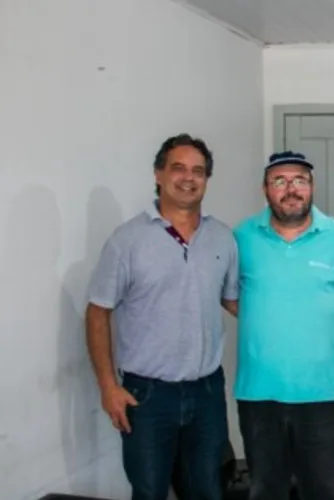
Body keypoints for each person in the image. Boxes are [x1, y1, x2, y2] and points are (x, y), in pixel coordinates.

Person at [85, 133, 239, 500]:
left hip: (207, 393)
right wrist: (108, 386)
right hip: (147, 397)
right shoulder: (128, 241)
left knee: (208, 490)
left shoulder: (223, 238)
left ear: (206, 179)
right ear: (158, 174)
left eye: (198, 171)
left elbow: (233, 302)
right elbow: (96, 314)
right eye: (178, 168)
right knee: (150, 491)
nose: (189, 178)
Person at [233, 151, 334, 500]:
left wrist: (327, 307)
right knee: (265, 491)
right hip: (258, 394)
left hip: (321, 393)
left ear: (312, 187)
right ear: (265, 189)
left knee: (322, 491)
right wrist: (262, 312)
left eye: (299, 180)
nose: (290, 188)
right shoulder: (241, 237)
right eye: (279, 181)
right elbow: (226, 293)